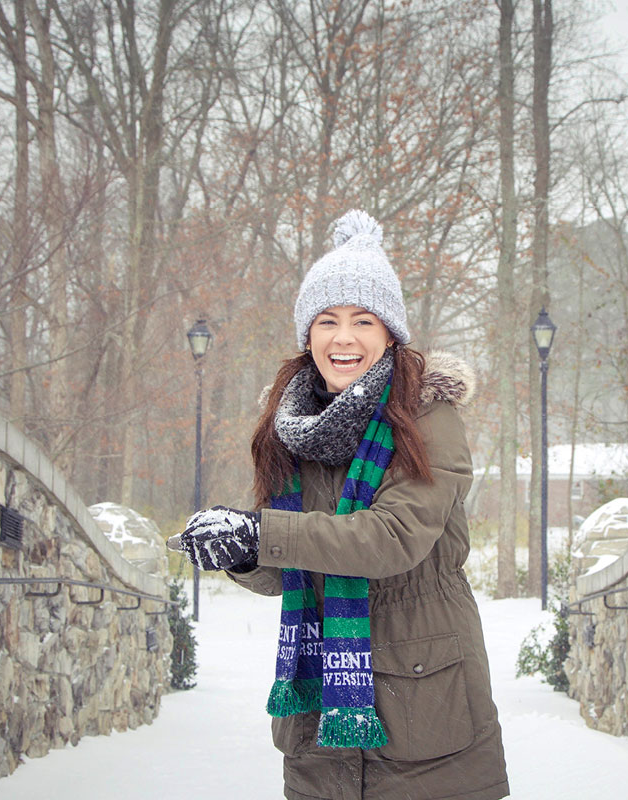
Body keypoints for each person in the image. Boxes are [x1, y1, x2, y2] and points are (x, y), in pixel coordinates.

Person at [169, 210, 510, 800]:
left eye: (362, 320)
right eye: (326, 320)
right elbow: (285, 565)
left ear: (389, 334)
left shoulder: (429, 418)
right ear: (308, 336)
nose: (343, 337)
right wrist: (240, 550)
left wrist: (262, 533)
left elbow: (390, 539)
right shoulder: (289, 426)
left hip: (423, 706)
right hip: (320, 727)